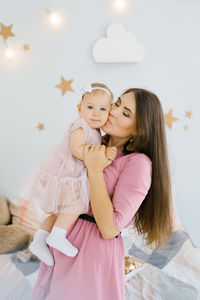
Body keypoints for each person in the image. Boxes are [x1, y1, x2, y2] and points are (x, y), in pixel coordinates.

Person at [31, 88, 173, 300]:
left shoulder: (138, 164)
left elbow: (109, 228)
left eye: (126, 113)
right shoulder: (91, 142)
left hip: (92, 249)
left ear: (138, 130)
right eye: (117, 103)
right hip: (62, 238)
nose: (113, 111)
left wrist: (95, 170)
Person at [19, 83, 117, 266]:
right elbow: (77, 150)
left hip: (72, 176)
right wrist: (103, 154)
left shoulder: (97, 131)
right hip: (65, 174)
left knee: (61, 211)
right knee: (75, 205)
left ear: (109, 113)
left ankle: (39, 241)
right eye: (90, 107)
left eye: (102, 109)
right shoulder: (79, 125)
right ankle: (57, 235)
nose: (96, 113)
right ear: (80, 109)